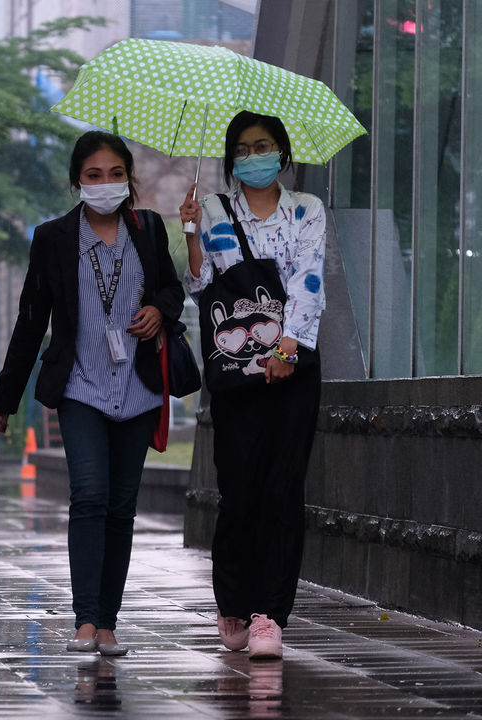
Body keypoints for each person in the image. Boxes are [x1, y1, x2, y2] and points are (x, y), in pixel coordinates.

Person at [0, 131, 184, 655]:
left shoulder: (147, 230)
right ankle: (84, 619)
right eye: (93, 175)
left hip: (139, 387)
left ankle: (108, 624)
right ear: (77, 181)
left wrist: (159, 310)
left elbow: (173, 290)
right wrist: (5, 395)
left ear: (129, 179)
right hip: (80, 386)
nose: (104, 184)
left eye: (115, 174)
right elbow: (31, 320)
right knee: (90, 496)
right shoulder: (53, 238)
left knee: (121, 508)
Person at [178, 111, 325, 659]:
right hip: (236, 373)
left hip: (294, 369)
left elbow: (310, 281)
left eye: (263, 146)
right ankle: (233, 602)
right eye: (241, 149)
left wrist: (287, 349)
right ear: (230, 158)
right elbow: (202, 287)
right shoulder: (215, 208)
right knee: (239, 491)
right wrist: (192, 234)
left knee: (284, 491)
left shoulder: (308, 210)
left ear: (282, 154)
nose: (252, 156)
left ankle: (270, 615)